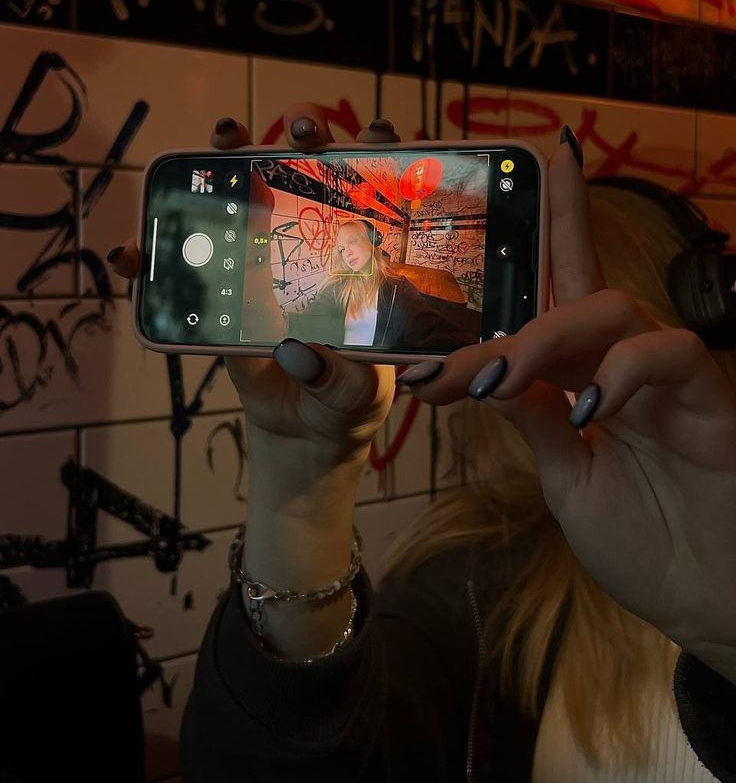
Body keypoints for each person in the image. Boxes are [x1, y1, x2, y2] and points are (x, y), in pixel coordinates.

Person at [110, 104, 736, 782]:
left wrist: (727, 625)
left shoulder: (421, 305)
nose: (558, 359)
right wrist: (302, 484)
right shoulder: (470, 589)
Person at [286, 216, 468, 350]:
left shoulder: (398, 289)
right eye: (341, 249)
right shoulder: (335, 288)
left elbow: (428, 328)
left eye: (353, 241)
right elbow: (305, 323)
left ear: (373, 241)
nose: (347, 252)